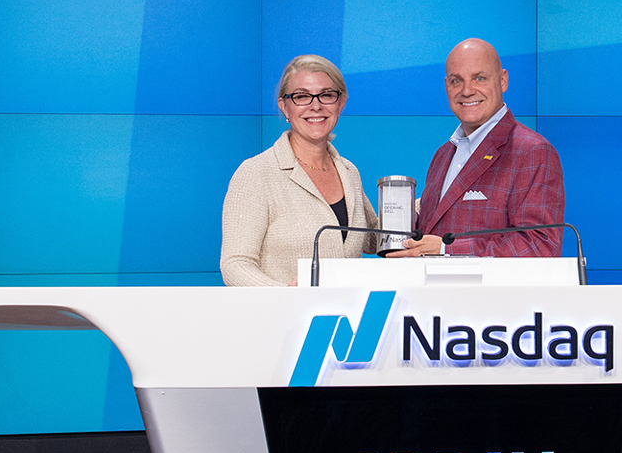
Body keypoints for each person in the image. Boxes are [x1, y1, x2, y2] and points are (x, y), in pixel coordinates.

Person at [392, 38, 564, 257]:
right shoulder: (443, 155)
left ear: (503, 81)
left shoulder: (532, 151)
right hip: (432, 291)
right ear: (446, 86)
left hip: (492, 293)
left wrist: (447, 250)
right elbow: (432, 233)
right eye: (456, 81)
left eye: (479, 78)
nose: (467, 90)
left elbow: (539, 246)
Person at [221, 54, 378, 286]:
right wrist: (286, 297)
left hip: (344, 319)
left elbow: (373, 239)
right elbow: (235, 264)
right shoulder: (256, 173)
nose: (316, 106)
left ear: (340, 103)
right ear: (285, 107)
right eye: (302, 96)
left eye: (326, 95)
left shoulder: (348, 171)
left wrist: (428, 202)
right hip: (282, 319)